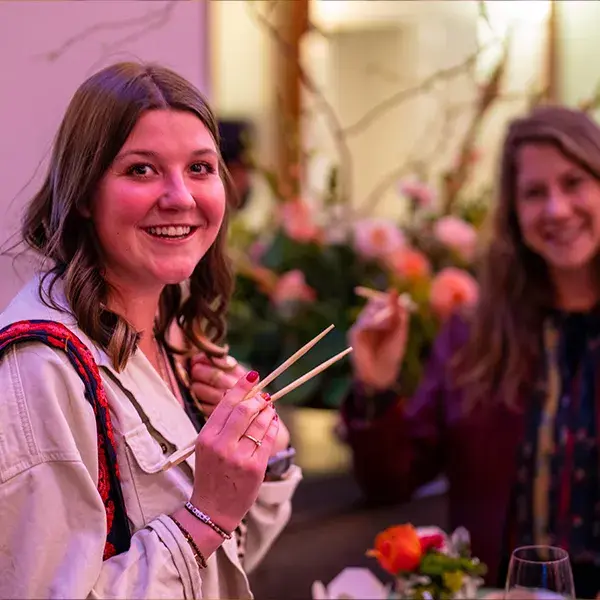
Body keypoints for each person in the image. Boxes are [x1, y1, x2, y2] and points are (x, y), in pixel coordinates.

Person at [0, 61, 301, 599]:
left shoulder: (172, 333)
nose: (180, 197)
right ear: (86, 194)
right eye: (142, 170)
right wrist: (205, 513)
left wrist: (266, 459)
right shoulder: (39, 368)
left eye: (201, 168)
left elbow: (217, 569)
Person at [342, 105, 600, 599]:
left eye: (574, 183)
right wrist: (375, 386)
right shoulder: (472, 335)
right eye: (534, 192)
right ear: (513, 212)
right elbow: (391, 483)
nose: (557, 209)